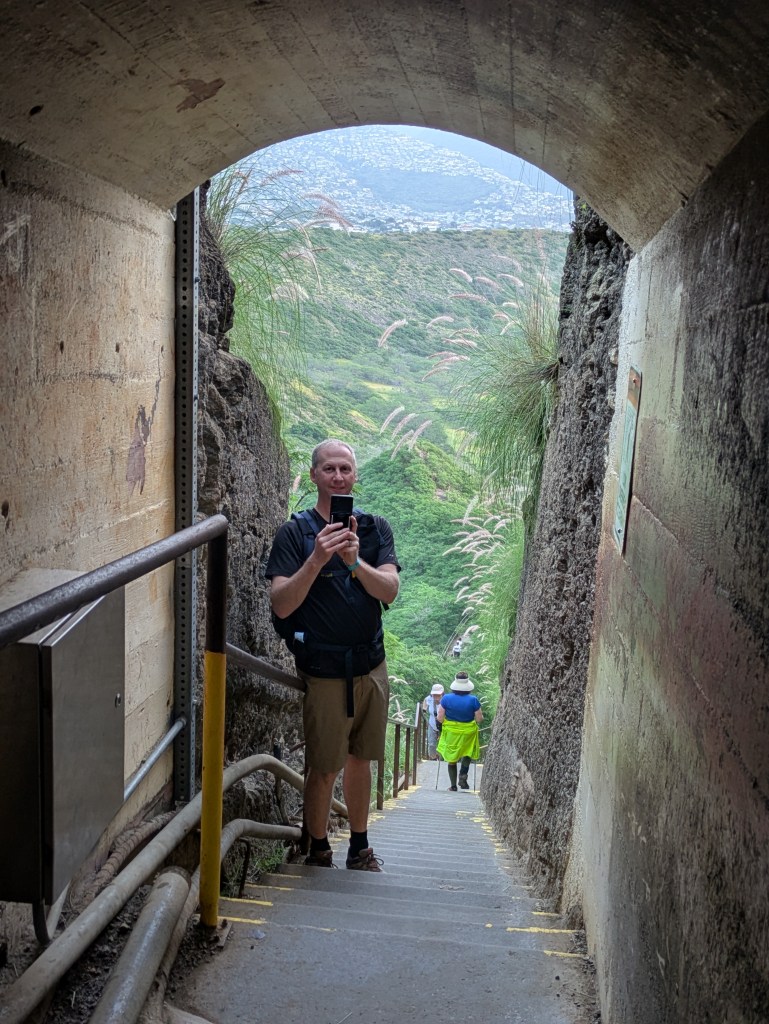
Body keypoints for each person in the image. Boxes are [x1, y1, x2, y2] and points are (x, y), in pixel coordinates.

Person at [266, 439, 400, 871]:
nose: (338, 476)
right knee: (323, 766)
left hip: (370, 666)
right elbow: (282, 603)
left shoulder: (374, 530)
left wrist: (355, 562)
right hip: (323, 671)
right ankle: (318, 847)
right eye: (329, 469)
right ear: (314, 476)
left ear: (355, 475)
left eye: (345, 468)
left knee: (361, 760)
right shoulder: (294, 534)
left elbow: (390, 591)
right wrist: (317, 559)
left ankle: (360, 847)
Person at [437, 671, 483, 791]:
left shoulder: (446, 698)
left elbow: (440, 718)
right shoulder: (474, 700)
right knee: (467, 752)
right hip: (468, 732)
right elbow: (479, 719)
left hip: (452, 732)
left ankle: (453, 786)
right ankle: (463, 774)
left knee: (452, 758)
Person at [422, 683, 444, 760]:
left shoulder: (446, 700)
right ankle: (433, 758)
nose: (436, 697)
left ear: (442, 693)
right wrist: (424, 710)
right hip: (432, 723)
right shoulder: (429, 699)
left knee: (443, 743)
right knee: (431, 743)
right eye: (434, 695)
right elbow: (425, 701)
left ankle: (443, 760)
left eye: (438, 695)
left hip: (444, 725)